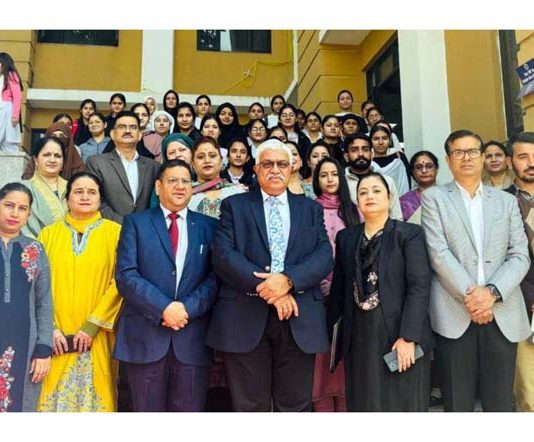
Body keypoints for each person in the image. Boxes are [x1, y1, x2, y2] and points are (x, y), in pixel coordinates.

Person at [206, 138, 334, 412]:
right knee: (251, 407)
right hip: (245, 315)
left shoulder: (310, 209)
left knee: (296, 406)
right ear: (256, 168)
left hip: (299, 316)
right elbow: (224, 256)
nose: (275, 169)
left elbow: (324, 255)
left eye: (282, 164)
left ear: (291, 169)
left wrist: (287, 281)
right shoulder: (235, 206)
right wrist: (272, 290)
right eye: (267, 164)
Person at [421, 129, 531, 411]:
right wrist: (474, 296)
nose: (466, 157)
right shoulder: (434, 199)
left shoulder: (506, 202)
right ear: (448, 160)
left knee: (500, 403)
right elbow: (439, 254)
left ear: (483, 158)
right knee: (458, 403)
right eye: (459, 152)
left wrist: (491, 294)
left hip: (501, 311)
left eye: (473, 151)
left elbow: (519, 255)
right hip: (455, 312)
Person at [114, 159, 218, 412]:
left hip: (192, 337)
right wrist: (164, 308)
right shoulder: (135, 223)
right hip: (145, 337)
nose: (180, 186)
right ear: (158, 187)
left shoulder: (210, 226)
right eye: (173, 181)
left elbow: (215, 277)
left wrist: (186, 309)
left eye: (185, 181)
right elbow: (126, 275)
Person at [327, 172, 433, 411]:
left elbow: (419, 286)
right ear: (357, 201)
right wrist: (331, 335)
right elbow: (338, 290)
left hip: (398, 333)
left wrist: (409, 336)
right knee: (364, 403)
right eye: (363, 192)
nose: (369, 196)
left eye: (376, 190)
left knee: (402, 404)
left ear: (389, 196)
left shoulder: (408, 234)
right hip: (358, 336)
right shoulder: (346, 237)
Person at [36, 172, 123, 412]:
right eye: (78, 191)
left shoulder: (115, 233)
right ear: (67, 198)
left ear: (100, 198)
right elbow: (37, 285)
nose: (85, 196)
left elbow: (121, 282)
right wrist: (50, 329)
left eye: (92, 191)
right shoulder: (47, 235)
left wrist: (92, 325)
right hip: (56, 337)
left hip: (98, 335)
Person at [0, 182, 53, 412]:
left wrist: (43, 349)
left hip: (25, 344)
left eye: (22, 208)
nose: (14, 213)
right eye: (8, 205)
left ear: (29, 214)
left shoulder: (36, 250)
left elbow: (44, 303)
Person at [311, 157, 358, 412]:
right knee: (322, 354)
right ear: (316, 180)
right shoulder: (309, 209)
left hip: (349, 293)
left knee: (345, 351)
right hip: (317, 292)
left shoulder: (353, 210)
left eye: (334, 174)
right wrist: (323, 282)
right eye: (323, 175)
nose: (329, 179)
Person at [504, 132, 534, 411]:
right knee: (528, 396)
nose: (531, 162)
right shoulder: (498, 202)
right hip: (521, 305)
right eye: (523, 156)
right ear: (510, 161)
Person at [86, 111, 159, 224]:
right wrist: (124, 224)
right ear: (112, 134)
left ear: (140, 135)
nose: (128, 131)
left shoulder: (153, 166)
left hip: (145, 231)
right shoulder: (96, 162)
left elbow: (156, 202)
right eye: (122, 127)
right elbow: (95, 200)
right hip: (109, 230)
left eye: (133, 127)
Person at [343, 133, 403, 220]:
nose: (361, 154)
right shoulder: (340, 182)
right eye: (354, 150)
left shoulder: (387, 181)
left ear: (371, 154)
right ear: (346, 156)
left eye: (365, 149)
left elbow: (396, 217)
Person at [21, 136, 68, 238]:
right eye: (46, 155)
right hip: (35, 248)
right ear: (36, 160)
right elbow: (20, 227)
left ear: (63, 162)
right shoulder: (23, 189)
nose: (52, 159)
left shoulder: (73, 188)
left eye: (57, 156)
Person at [188, 136, 245, 218]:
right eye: (200, 157)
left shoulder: (237, 192)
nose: (207, 160)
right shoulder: (184, 195)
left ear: (221, 161)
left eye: (212, 156)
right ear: (193, 164)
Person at [370, 124, 411, 196]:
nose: (380, 142)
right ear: (370, 141)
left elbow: (404, 187)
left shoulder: (398, 161)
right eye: (376, 139)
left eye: (384, 138)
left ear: (390, 140)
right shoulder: (367, 163)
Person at [400, 150, 439, 223]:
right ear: (413, 171)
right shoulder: (405, 202)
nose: (424, 171)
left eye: (429, 166)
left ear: (436, 169)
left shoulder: (447, 197)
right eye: (418, 167)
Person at [0, 52, 23, 153]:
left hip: (7, 109)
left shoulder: (11, 75)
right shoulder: (1, 77)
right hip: (2, 109)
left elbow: (17, 96)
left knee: (8, 140)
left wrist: (15, 116)